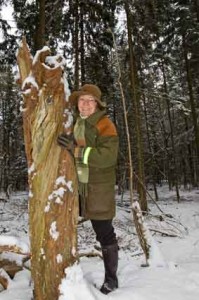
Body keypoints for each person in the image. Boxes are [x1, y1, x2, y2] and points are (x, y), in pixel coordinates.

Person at [58, 84, 119, 294]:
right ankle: (67, 275)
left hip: (99, 188)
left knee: (104, 233)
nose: (85, 104)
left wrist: (75, 150)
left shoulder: (105, 124)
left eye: (89, 100)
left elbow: (107, 157)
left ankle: (112, 279)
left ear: (97, 104)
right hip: (79, 187)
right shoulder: (78, 124)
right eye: (81, 100)